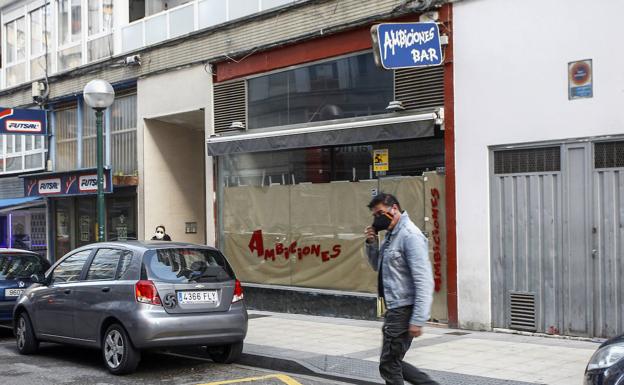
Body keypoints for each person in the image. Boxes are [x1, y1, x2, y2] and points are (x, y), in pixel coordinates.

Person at [365, 193, 438, 385]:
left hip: (403, 310)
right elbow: (377, 266)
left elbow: (424, 280)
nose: (377, 219)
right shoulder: (391, 235)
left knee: (389, 365)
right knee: (392, 361)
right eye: (374, 215)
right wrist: (372, 243)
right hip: (394, 309)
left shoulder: (410, 235)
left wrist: (418, 319)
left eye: (380, 213)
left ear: (394, 209)